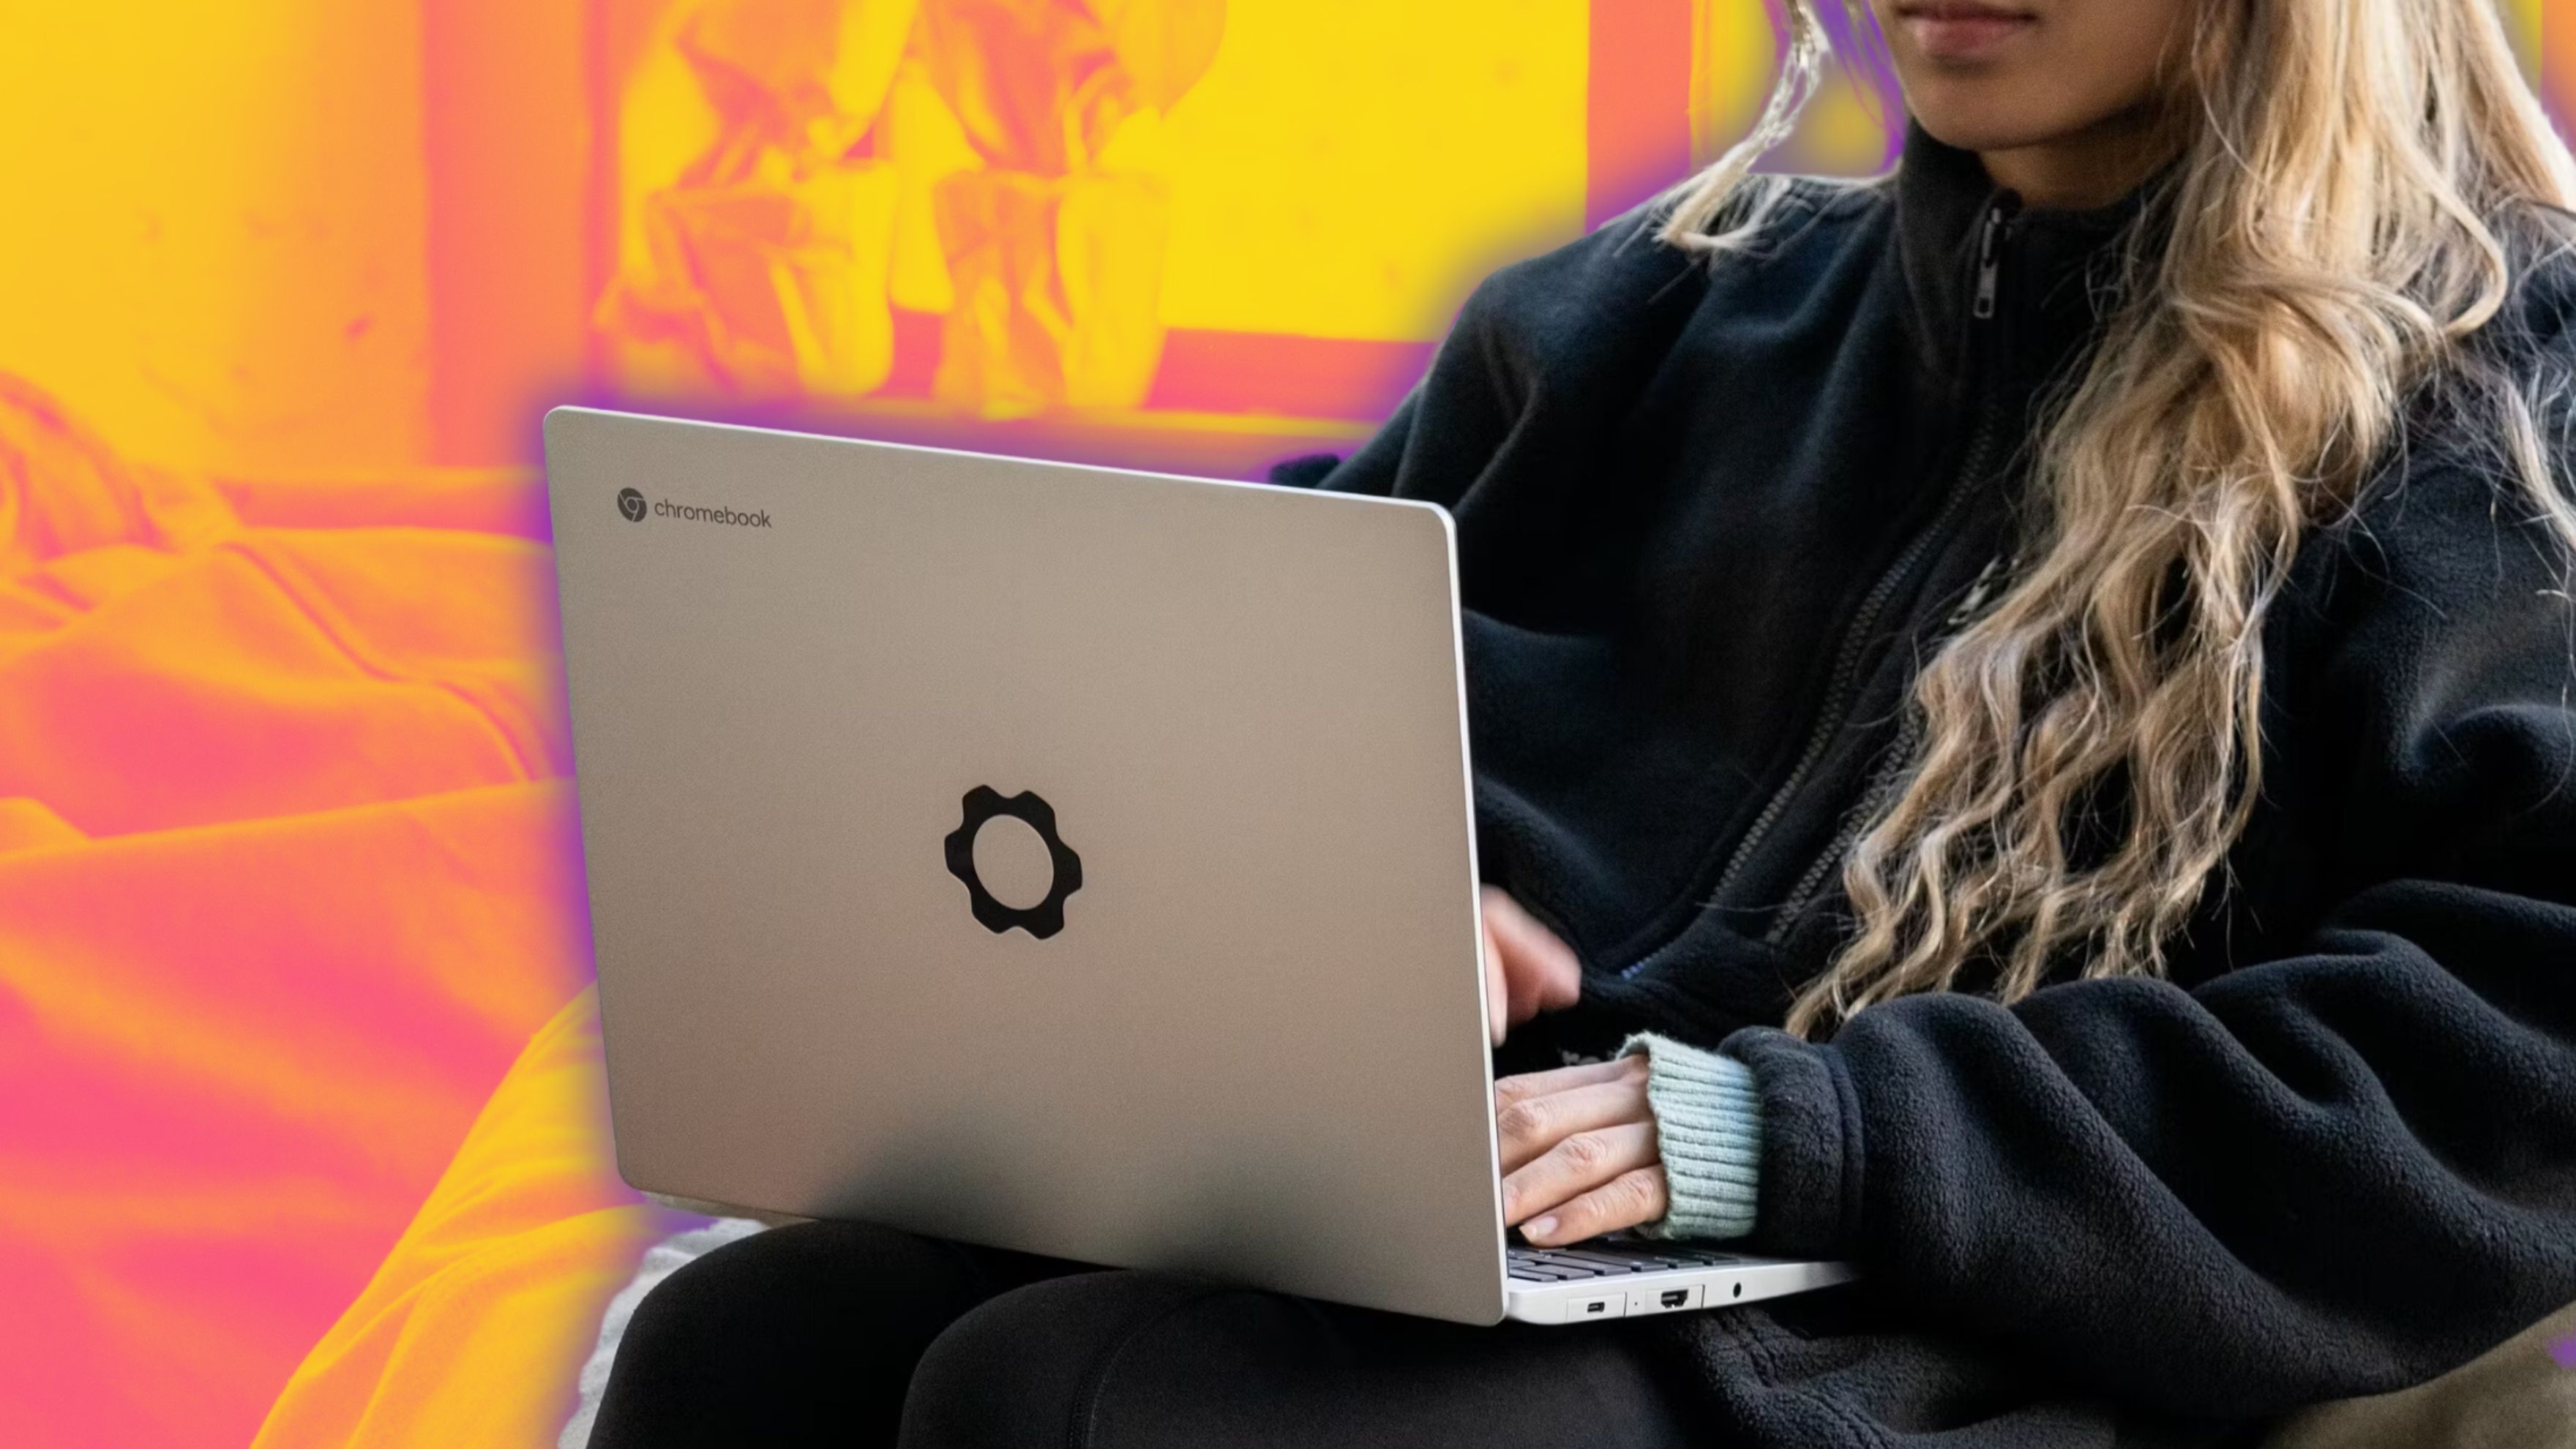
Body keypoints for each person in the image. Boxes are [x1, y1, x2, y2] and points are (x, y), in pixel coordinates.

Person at [588, 1, 2576, 1444]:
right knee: (757, 1340)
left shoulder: (2507, 414)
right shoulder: (1647, 319)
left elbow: (2515, 1041)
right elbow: (1198, 698)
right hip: (1509, 1225)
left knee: (1092, 1404)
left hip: (1988, 1304)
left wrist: (1783, 1131)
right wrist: (1320, 899)